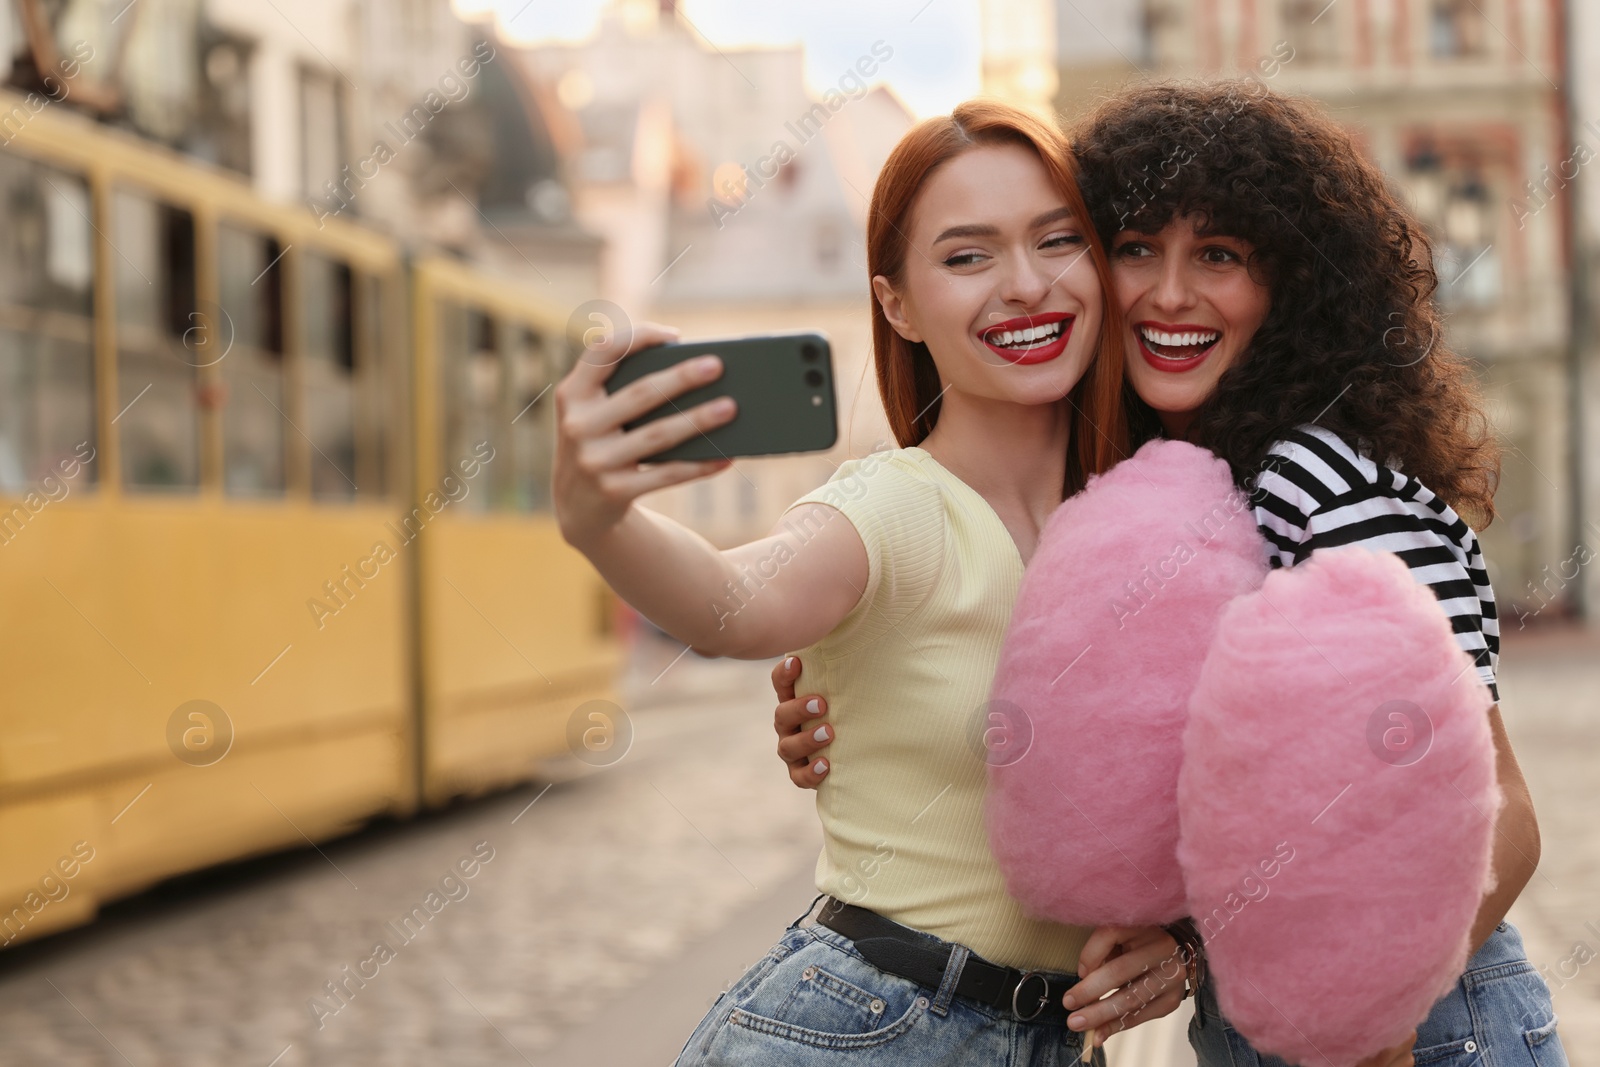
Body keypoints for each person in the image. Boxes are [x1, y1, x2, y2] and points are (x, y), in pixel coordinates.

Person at [773, 81, 1565, 1067]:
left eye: (1219, 256)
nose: (1168, 293)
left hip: (1422, 1029)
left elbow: (1505, 819)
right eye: (1135, 248)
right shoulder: (1185, 488)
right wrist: (857, 698)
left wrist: (1368, 1021)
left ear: (1290, 287)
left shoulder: (1311, 479)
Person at [552, 99, 1186, 1065]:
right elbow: (736, 602)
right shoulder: (895, 507)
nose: (1025, 285)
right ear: (897, 304)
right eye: (967, 256)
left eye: (1057, 241)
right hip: (865, 1029)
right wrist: (599, 517)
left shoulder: (1159, 515)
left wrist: (1181, 937)